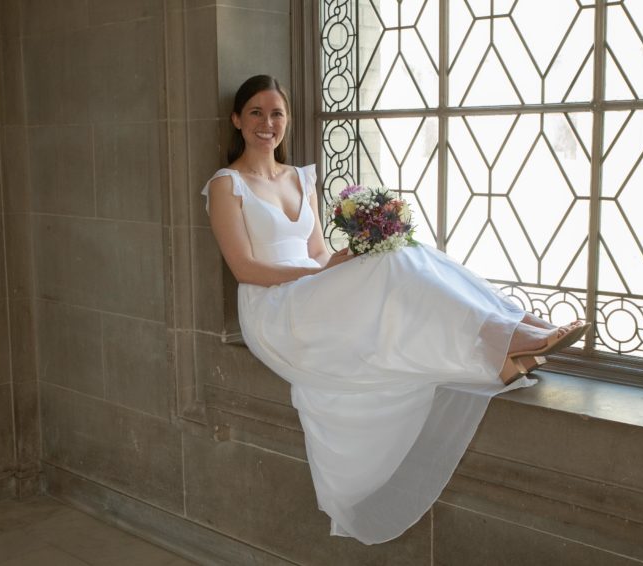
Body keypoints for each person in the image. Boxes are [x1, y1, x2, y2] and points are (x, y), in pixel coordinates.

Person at [202, 75, 589, 544]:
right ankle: (509, 338)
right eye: (257, 113)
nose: (268, 123)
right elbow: (245, 268)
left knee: (401, 250)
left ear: (288, 120)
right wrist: (321, 275)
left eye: (277, 113)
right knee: (396, 264)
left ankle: (513, 329)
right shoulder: (227, 185)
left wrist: (343, 262)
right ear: (237, 120)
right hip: (273, 308)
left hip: (309, 290)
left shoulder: (300, 177)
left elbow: (319, 252)